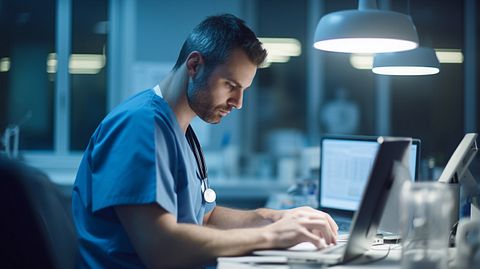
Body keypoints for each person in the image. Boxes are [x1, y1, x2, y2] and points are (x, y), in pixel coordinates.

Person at [72, 14, 338, 268]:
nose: (238, 103)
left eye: (243, 90)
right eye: (230, 85)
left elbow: (205, 217)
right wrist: (274, 236)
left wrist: (275, 217)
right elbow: (160, 248)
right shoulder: (139, 125)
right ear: (195, 65)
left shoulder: (180, 128)